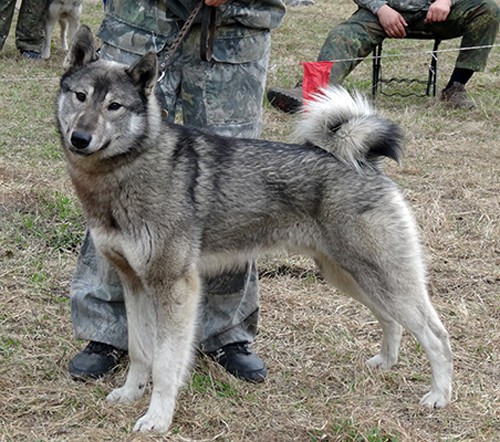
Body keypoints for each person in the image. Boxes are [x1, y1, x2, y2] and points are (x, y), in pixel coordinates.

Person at [67, 0, 286, 384]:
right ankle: (107, 330)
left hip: (236, 25)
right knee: (110, 177)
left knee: (233, 187)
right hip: (141, 16)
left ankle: (225, 330)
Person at [267, 0, 500, 111]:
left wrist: (446, 1)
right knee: (343, 35)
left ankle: (455, 89)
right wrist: (381, 9)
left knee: (488, 10)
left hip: (438, 12)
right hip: (384, 13)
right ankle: (311, 91)